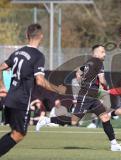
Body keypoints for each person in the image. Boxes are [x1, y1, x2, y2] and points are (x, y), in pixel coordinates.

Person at [36, 45, 121, 151]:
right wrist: (106, 88)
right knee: (74, 121)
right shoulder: (99, 63)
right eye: (103, 52)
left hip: (92, 97)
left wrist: (83, 84)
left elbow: (78, 73)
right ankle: (46, 120)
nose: (105, 54)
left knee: (105, 117)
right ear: (96, 53)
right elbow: (102, 80)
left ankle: (114, 144)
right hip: (86, 97)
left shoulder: (87, 63)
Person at [0, 23, 66, 157]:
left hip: (10, 99)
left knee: (15, 132)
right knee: (19, 134)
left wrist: (2, 86)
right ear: (41, 36)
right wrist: (57, 89)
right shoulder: (37, 56)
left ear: (26, 35)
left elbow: (1, 67)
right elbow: (40, 81)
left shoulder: (17, 53)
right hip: (21, 101)